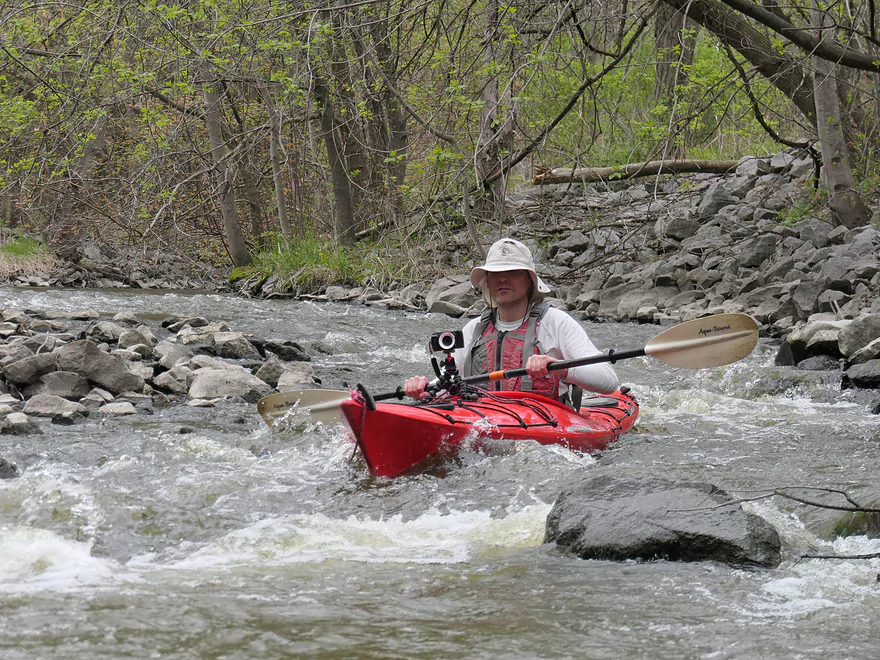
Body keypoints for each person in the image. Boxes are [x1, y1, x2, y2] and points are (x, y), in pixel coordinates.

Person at [403, 237, 619, 404]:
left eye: (513, 272)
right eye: (495, 273)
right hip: (482, 415)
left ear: (529, 280)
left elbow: (608, 381)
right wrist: (424, 388)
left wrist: (561, 368)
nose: (503, 279)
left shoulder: (556, 323)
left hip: (544, 421)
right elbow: (447, 383)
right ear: (487, 280)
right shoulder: (474, 329)